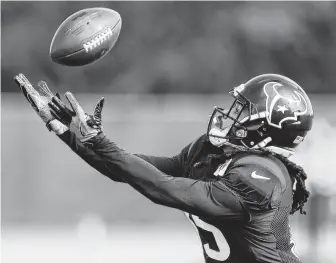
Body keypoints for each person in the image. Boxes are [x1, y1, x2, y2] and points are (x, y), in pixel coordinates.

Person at [14, 73, 313, 263]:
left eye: (243, 109)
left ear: (265, 127)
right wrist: (70, 134)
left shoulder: (263, 178)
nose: (231, 113)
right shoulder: (212, 151)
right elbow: (132, 171)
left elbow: (163, 188)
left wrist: (100, 142)